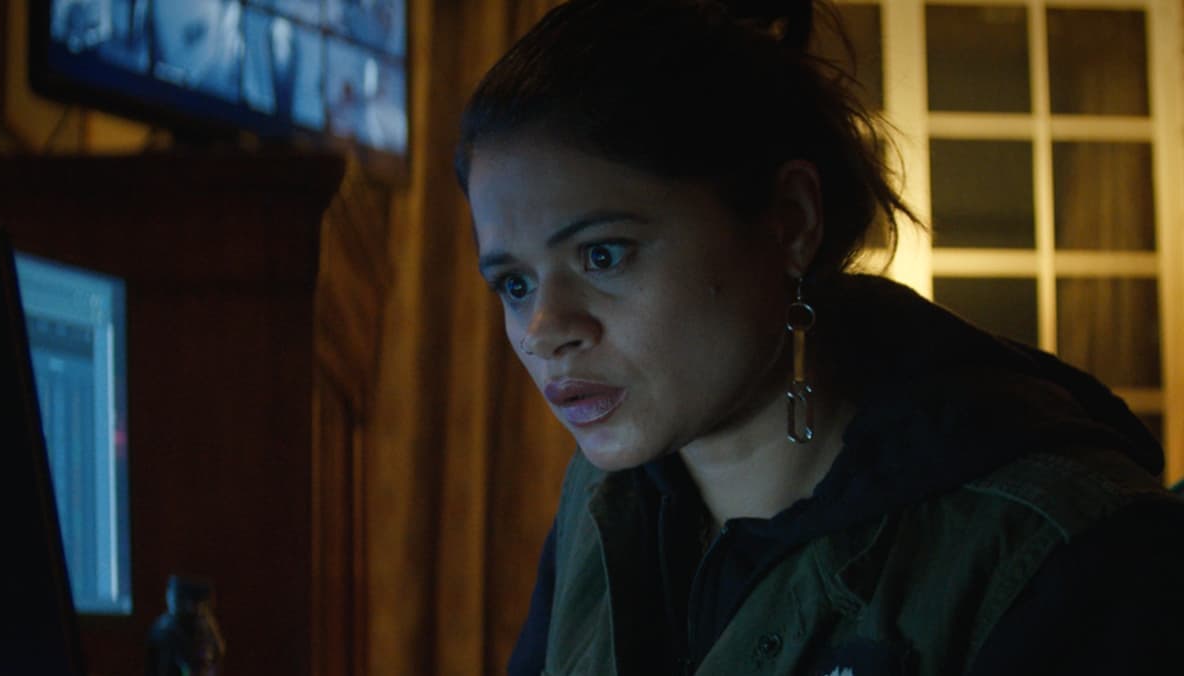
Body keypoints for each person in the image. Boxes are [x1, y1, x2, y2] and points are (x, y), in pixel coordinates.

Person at [454, 0, 1184, 674]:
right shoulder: (603, 499)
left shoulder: (1069, 553)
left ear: (790, 221)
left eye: (602, 255)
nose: (545, 330)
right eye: (514, 284)